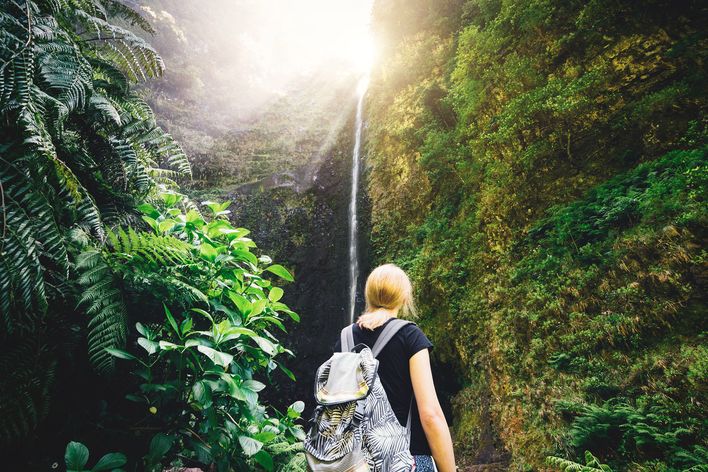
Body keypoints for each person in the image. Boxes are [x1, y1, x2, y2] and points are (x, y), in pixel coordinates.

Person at [334, 263, 457, 472]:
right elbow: (430, 415)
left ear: (369, 295)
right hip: (407, 460)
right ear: (403, 298)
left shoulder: (344, 339)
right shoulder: (410, 337)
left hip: (354, 464)